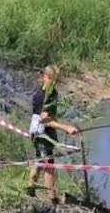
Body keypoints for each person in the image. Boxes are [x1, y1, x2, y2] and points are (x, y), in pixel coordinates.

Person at [26, 65, 79, 205]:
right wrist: (66, 128)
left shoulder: (53, 93)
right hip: (40, 134)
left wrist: (69, 127)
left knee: (39, 161)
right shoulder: (40, 96)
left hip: (48, 132)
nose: (53, 82)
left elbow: (52, 117)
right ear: (44, 77)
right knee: (49, 166)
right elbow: (45, 120)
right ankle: (52, 199)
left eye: (55, 80)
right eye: (50, 79)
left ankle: (30, 189)